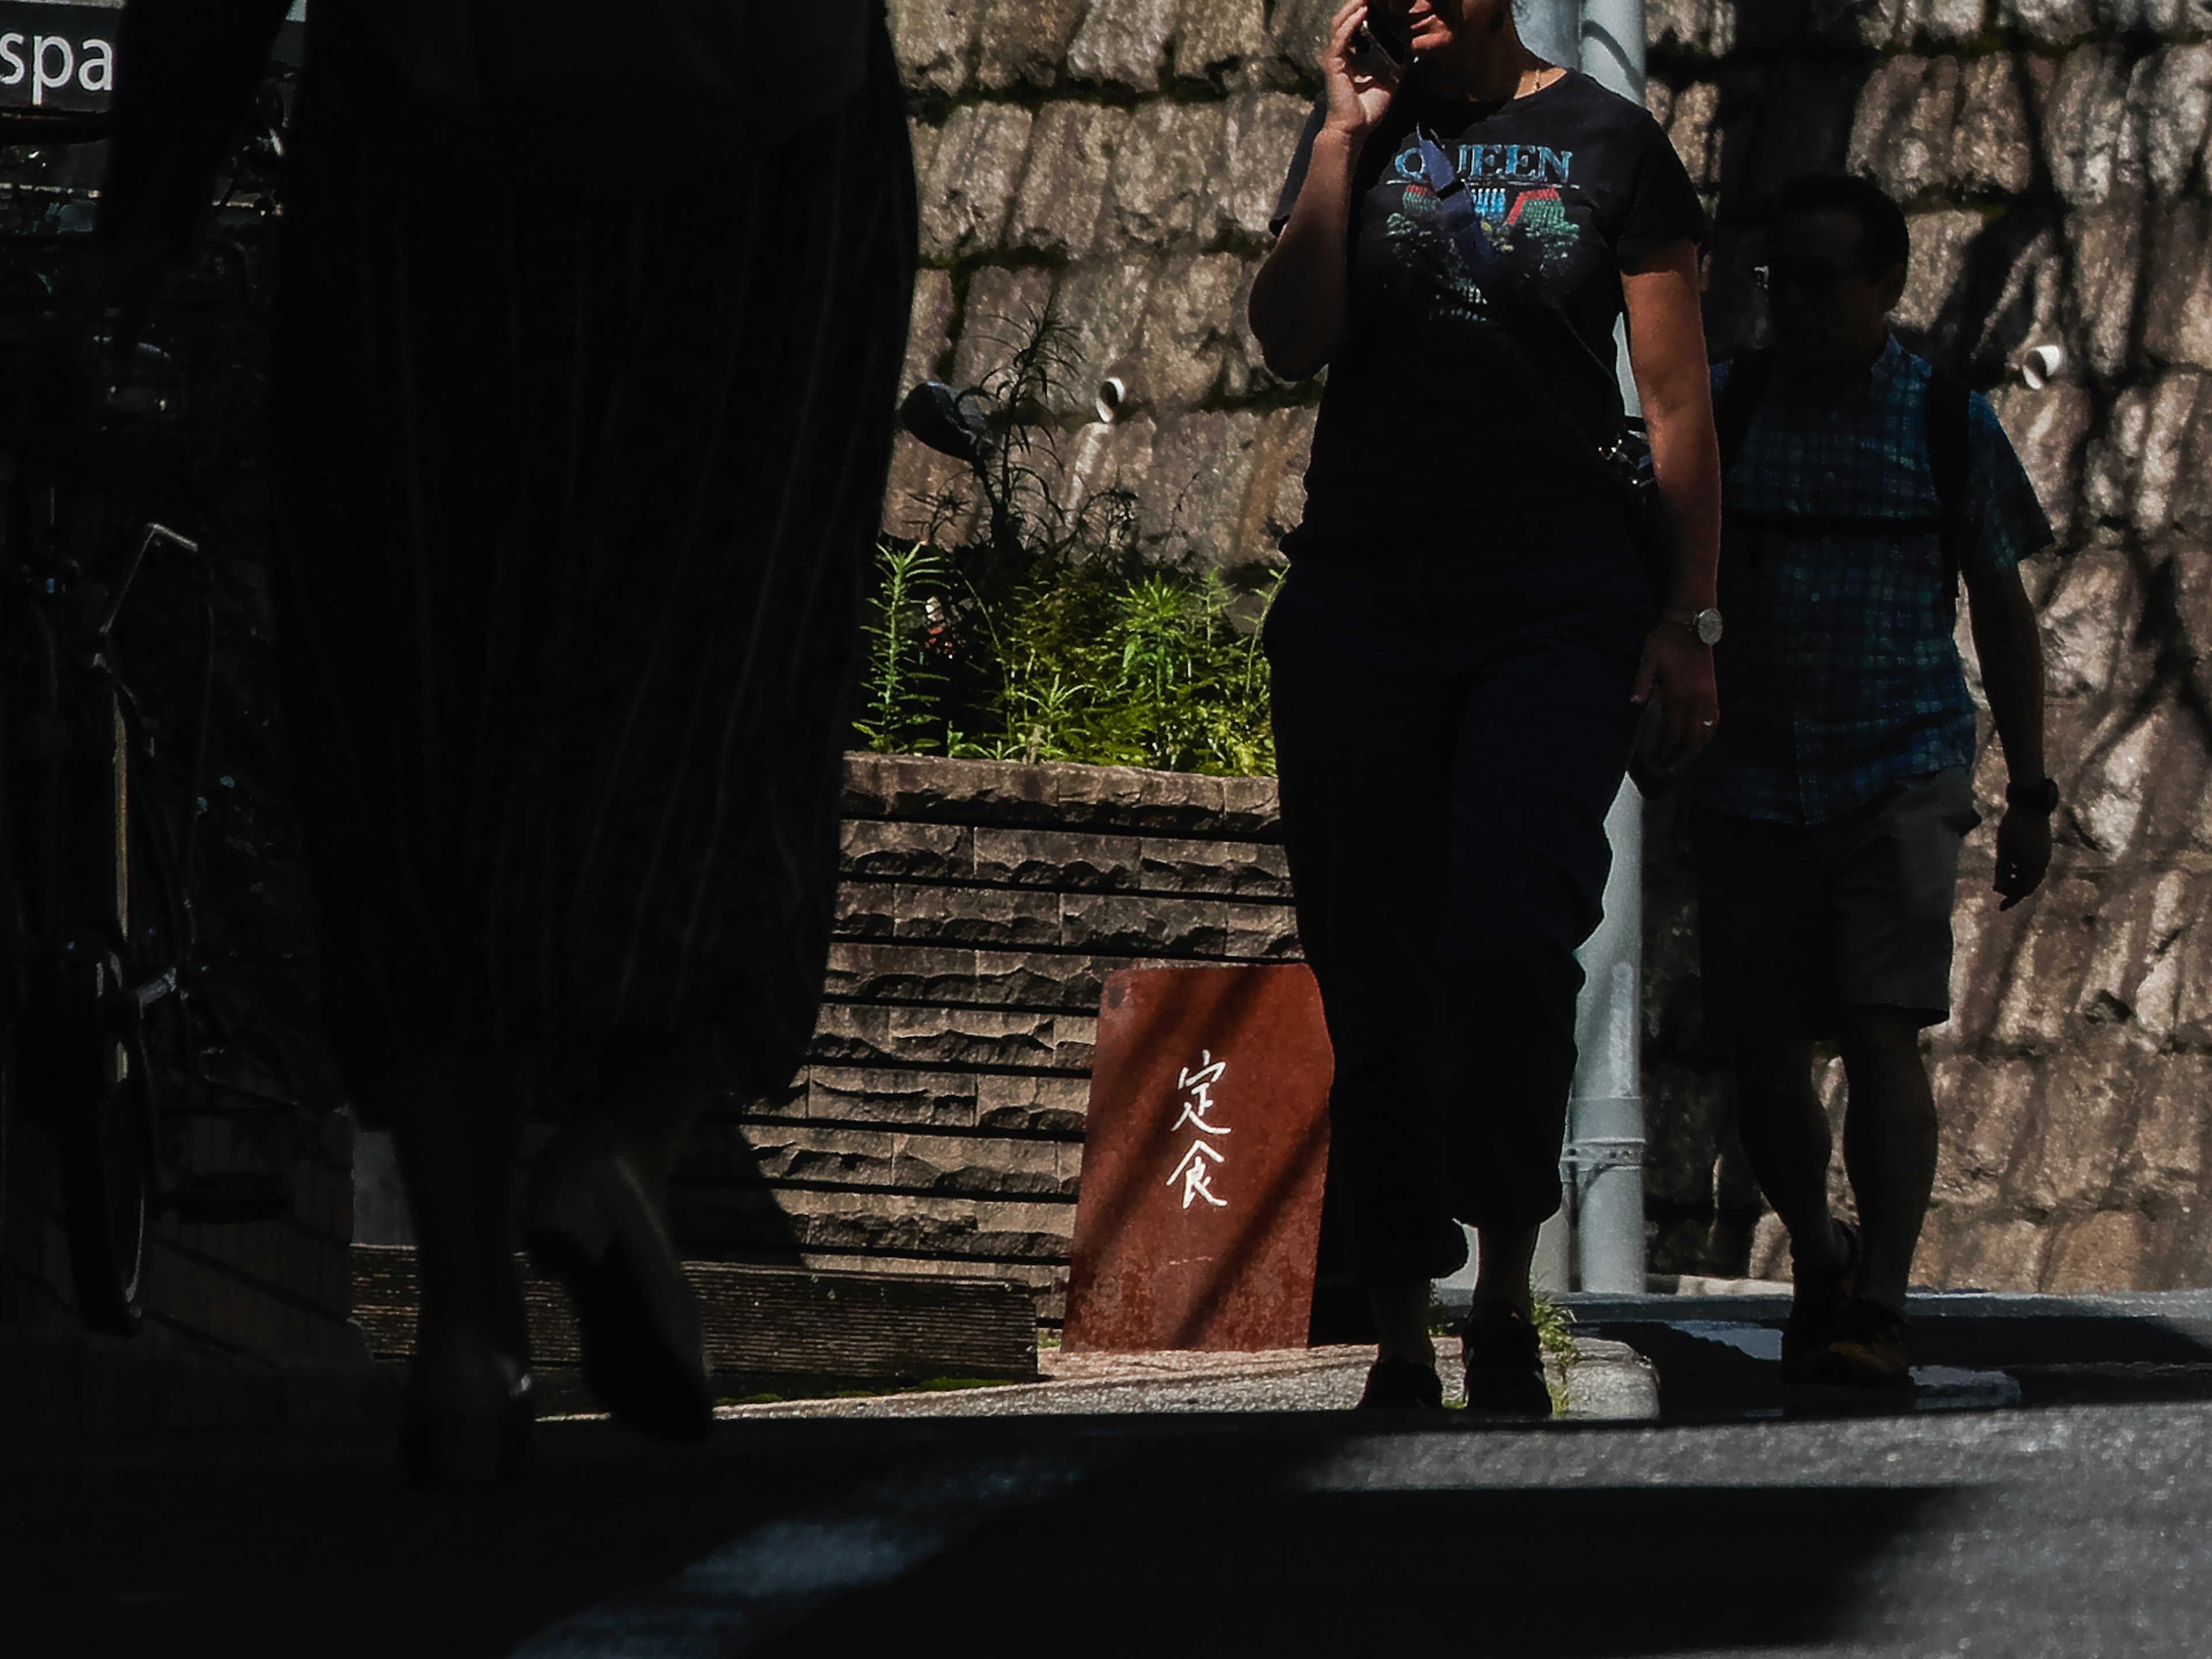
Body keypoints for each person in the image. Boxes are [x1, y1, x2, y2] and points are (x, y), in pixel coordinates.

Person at [90, 0, 915, 1479]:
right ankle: (619, 1152)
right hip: (759, 127)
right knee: (731, 650)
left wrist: (156, 188)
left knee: (421, 688)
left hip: (437, 128)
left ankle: (469, 1329)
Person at [1247, 0, 1721, 1412]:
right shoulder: (1358, 133)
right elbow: (1288, 341)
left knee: (1512, 931)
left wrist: (1691, 622)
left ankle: (1505, 1298)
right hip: (1363, 602)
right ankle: (1399, 1329)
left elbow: (1681, 403)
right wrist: (1341, 136)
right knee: (1371, 958)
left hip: (1553, 599)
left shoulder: (1610, 143)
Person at [1697, 172, 2055, 1388]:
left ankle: (1883, 1299)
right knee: (1764, 1049)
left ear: (1888, 287)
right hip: (1747, 775)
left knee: (1881, 1025)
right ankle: (1817, 1248)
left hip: (1899, 768)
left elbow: (2005, 615)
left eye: (1820, 281)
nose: (1791, 304)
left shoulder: (1945, 423)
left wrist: (2034, 788)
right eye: (1774, 278)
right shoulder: (1729, 412)